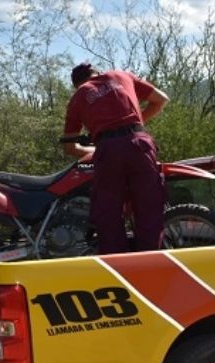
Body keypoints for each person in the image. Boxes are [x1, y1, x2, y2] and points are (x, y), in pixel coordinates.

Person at [61, 63, 169, 254]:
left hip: (107, 149)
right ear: (97, 72)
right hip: (139, 143)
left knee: (108, 214)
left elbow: (70, 147)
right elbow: (161, 100)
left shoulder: (78, 97)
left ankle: (116, 264)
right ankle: (151, 261)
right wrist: (136, 122)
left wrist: (97, 149)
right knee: (149, 208)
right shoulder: (121, 75)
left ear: (76, 84)